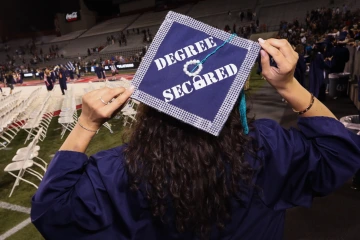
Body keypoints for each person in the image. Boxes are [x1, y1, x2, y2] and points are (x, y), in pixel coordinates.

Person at [31, 39, 360, 239]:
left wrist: (86, 123)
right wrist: (289, 85)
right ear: (231, 102)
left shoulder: (120, 170)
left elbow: (51, 213)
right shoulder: (265, 149)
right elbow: (340, 152)